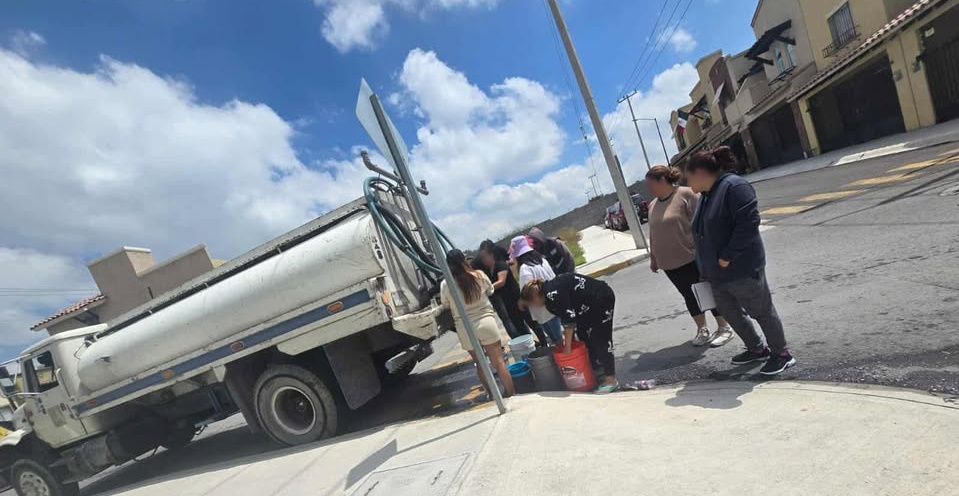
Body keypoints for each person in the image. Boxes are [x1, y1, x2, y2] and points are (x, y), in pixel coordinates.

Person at [685, 146, 797, 376]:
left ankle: (781, 353)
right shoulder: (707, 195)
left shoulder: (734, 187)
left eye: (689, 177)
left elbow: (748, 225)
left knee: (761, 311)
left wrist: (726, 257)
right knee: (732, 313)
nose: (687, 183)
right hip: (716, 274)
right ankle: (757, 349)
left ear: (700, 173)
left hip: (741, 268)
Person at [645, 165, 734, 347]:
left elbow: (704, 223)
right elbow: (653, 233)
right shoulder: (653, 205)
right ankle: (702, 329)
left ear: (662, 180)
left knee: (705, 291)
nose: (649, 188)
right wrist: (654, 257)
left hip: (691, 257)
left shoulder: (687, 194)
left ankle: (724, 327)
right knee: (688, 295)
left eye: (650, 184)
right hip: (668, 263)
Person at [521, 274, 619, 394]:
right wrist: (570, 342)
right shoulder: (548, 297)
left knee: (600, 339)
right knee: (584, 337)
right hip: (586, 306)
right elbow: (568, 318)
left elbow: (569, 322)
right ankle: (598, 370)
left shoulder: (552, 295)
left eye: (531, 304)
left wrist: (567, 347)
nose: (533, 307)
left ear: (534, 297)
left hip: (599, 298)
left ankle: (611, 380)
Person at [440, 249, 515, 397]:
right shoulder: (479, 275)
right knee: (499, 362)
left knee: (480, 364)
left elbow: (445, 304)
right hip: (486, 321)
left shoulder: (445, 284)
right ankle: (510, 393)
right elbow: (490, 291)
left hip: (465, 327)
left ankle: (491, 394)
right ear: (464, 261)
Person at [508, 236, 563, 344]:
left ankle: (566, 358)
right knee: (560, 336)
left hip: (542, 309)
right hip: (554, 303)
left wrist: (521, 302)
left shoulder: (525, 268)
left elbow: (528, 291)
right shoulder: (542, 260)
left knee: (557, 340)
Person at [472, 240, 530, 339]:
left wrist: (485, 290)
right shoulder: (478, 262)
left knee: (526, 319)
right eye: (482, 258)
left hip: (512, 294)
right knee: (510, 320)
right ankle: (520, 341)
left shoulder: (500, 264)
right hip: (499, 296)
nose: (483, 260)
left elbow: (502, 280)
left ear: (492, 254)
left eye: (485, 257)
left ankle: (535, 341)